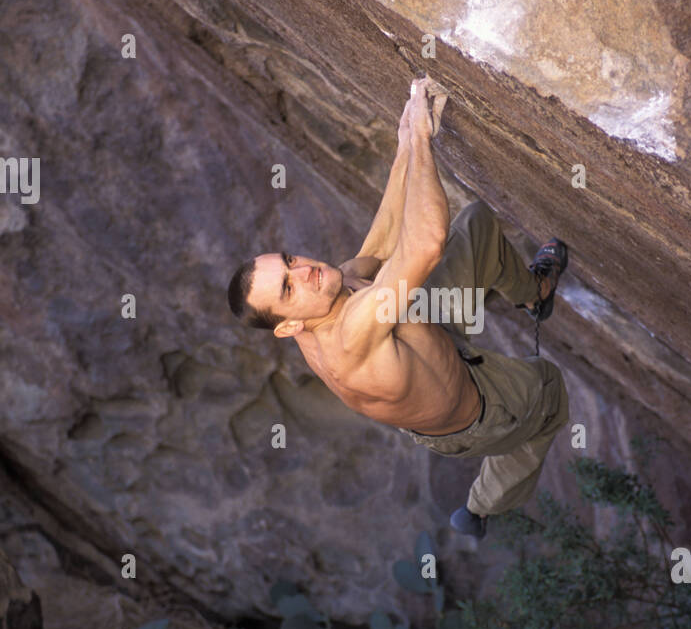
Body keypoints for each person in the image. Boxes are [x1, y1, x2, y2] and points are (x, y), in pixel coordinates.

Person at [227, 77, 568, 538]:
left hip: (429, 336)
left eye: (289, 260)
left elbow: (384, 236)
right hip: (475, 408)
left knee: (476, 226)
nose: (303, 270)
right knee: (546, 390)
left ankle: (535, 294)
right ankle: (481, 506)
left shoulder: (325, 289)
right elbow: (423, 246)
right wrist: (427, 144)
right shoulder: (347, 337)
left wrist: (407, 135)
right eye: (288, 287)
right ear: (288, 328)